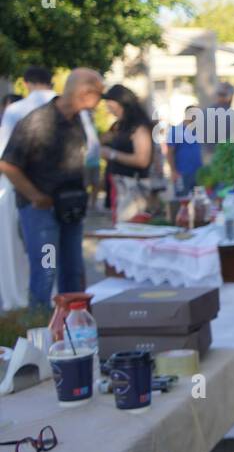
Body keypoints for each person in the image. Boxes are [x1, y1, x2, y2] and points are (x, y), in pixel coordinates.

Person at [0, 68, 103, 305]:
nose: (99, 103)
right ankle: (39, 328)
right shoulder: (38, 121)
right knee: (46, 270)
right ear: (84, 93)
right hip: (42, 213)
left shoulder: (78, 119)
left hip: (70, 208)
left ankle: (73, 327)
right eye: (98, 95)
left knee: (73, 270)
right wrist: (36, 196)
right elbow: (8, 164)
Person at [101, 85, 158, 221]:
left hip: (133, 188)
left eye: (110, 101)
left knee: (130, 228)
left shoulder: (138, 127)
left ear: (121, 102)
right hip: (119, 186)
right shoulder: (120, 126)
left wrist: (112, 154)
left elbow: (142, 160)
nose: (107, 105)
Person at [166, 105, 204, 195]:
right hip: (182, 173)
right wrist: (173, 171)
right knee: (183, 199)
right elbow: (169, 152)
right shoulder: (176, 131)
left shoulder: (196, 131)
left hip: (198, 172)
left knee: (199, 200)